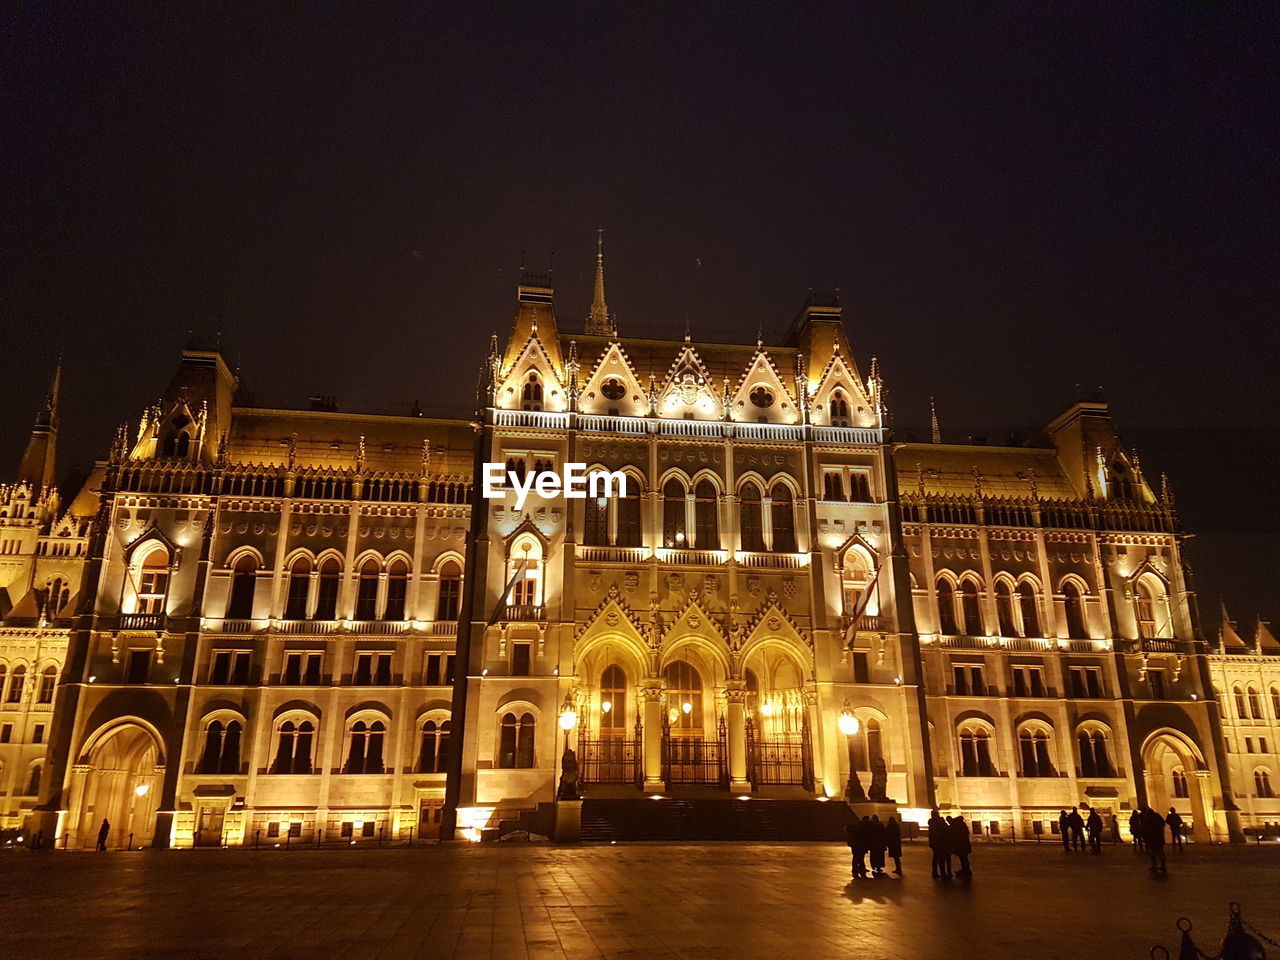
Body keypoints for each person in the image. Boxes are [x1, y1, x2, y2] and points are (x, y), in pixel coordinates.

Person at [928, 808, 952, 879]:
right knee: (941, 858)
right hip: (939, 843)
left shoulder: (932, 824)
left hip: (936, 843)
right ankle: (942, 873)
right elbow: (943, 832)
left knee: (937, 858)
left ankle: (936, 873)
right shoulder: (936, 824)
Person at [1142, 807, 1167, 874]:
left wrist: (1146, 836)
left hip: (1152, 838)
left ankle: (1155, 865)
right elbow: (1163, 823)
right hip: (1159, 837)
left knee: (1153, 853)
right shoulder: (1157, 816)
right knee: (1160, 852)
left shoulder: (1148, 819)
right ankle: (1163, 865)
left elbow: (1145, 828)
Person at [949, 814, 973, 879]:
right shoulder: (961, 824)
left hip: (961, 846)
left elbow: (956, 836)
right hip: (964, 845)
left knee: (963, 859)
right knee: (964, 858)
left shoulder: (956, 826)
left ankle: (966, 871)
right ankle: (966, 870)